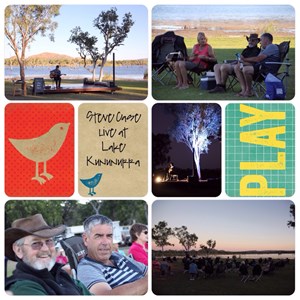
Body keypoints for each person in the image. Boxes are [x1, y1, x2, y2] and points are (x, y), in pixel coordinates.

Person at [5, 214, 91, 295]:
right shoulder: (23, 288)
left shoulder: (62, 275)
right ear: (19, 250)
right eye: (35, 243)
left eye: (49, 241)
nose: (45, 249)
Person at [77, 214, 148, 295]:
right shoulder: (87, 267)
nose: (105, 242)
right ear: (86, 239)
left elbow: (147, 271)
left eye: (109, 236)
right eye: (98, 236)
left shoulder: (117, 256)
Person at [234, 32, 280, 97]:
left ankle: (249, 91)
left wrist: (244, 59)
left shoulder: (271, 47)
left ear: (266, 40)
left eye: (261, 40)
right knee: (237, 67)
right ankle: (244, 90)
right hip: (260, 67)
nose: (260, 42)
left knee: (246, 69)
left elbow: (258, 59)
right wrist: (242, 61)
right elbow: (256, 59)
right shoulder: (264, 49)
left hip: (266, 69)